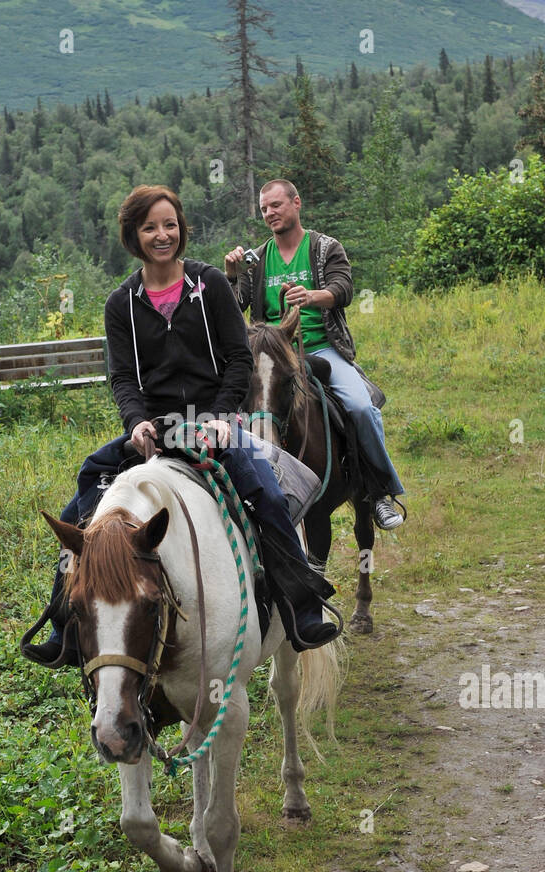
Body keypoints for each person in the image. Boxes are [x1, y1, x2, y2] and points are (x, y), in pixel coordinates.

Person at [29, 184, 340, 667]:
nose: (162, 235)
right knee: (85, 490)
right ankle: (63, 623)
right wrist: (135, 424)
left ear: (182, 229)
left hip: (212, 423)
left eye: (170, 225)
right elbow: (124, 377)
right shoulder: (121, 304)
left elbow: (239, 358)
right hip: (155, 429)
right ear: (133, 235)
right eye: (150, 227)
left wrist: (219, 418)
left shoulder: (210, 284)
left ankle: (301, 604)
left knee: (267, 491)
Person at [224, 178, 406, 529]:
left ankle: (380, 491)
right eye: (264, 209)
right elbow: (234, 312)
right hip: (270, 355)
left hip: (323, 348)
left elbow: (344, 288)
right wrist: (232, 277)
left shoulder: (324, 247)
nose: (270, 213)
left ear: (296, 202)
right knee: (228, 414)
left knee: (360, 407)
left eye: (276, 205)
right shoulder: (258, 259)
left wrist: (313, 296)